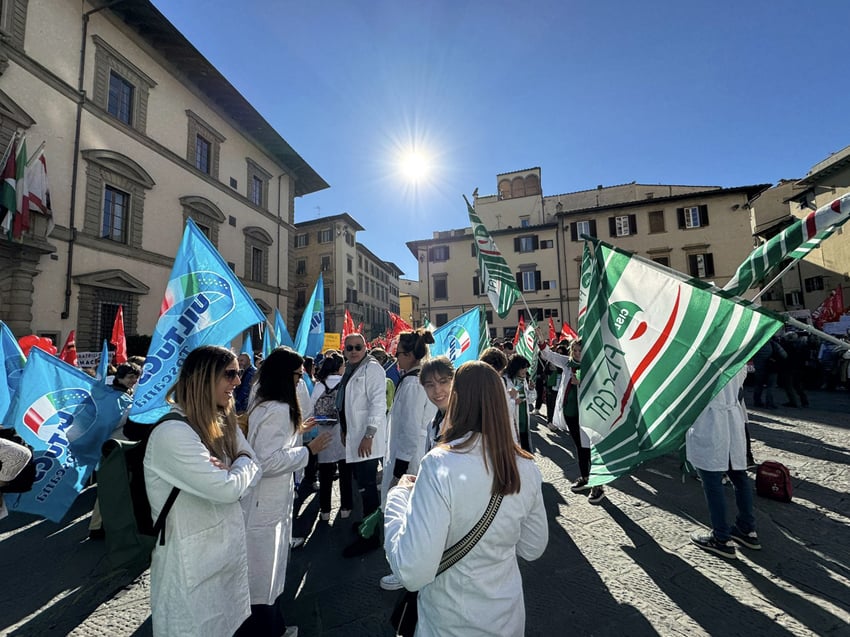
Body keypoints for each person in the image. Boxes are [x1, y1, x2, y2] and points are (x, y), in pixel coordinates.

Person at [384, 361, 548, 636]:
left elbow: (412, 572)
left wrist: (398, 497)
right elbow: (533, 547)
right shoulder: (526, 466)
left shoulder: (439, 464)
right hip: (507, 616)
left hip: (449, 620)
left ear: (457, 398)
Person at [143, 345, 261, 636]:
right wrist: (241, 464)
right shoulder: (173, 433)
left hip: (224, 557)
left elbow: (253, 467)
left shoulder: (222, 422)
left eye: (238, 373)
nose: (238, 381)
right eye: (230, 374)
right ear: (204, 378)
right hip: (188, 566)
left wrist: (238, 466)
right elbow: (228, 489)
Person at [238, 347, 331, 636]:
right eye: (297, 376)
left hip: (265, 501)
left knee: (265, 574)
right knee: (264, 575)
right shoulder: (278, 410)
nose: (300, 381)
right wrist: (308, 450)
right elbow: (267, 461)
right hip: (266, 503)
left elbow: (268, 442)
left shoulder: (264, 403)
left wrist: (298, 430)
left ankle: (275, 627)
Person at [379, 329, 438, 590]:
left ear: (412, 355)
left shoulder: (414, 384)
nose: (396, 358)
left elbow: (411, 430)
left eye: (400, 353)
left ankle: (404, 571)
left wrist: (398, 473)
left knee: (405, 516)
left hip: (409, 459)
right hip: (408, 455)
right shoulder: (412, 379)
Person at [687, 367, 760, 559]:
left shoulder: (704, 361)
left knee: (712, 480)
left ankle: (721, 537)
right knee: (739, 476)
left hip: (710, 420)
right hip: (734, 419)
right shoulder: (738, 359)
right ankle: (747, 528)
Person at [338, 333, 389, 557]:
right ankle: (367, 523)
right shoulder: (351, 370)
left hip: (367, 439)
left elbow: (378, 403)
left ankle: (371, 536)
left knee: (367, 488)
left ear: (366, 347)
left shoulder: (372, 369)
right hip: (355, 436)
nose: (353, 351)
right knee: (362, 484)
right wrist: (345, 430)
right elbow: (346, 405)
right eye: (349, 348)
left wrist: (369, 434)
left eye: (358, 347)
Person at [539, 339, 604, 503]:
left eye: (580, 351)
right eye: (574, 350)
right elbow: (549, 355)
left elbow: (600, 388)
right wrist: (541, 341)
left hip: (588, 414)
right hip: (570, 413)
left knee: (591, 449)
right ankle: (585, 477)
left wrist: (581, 383)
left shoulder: (593, 366)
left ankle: (598, 485)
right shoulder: (568, 363)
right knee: (580, 448)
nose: (576, 353)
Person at [310, 351, 353, 521]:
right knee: (345, 473)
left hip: (324, 432)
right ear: (340, 367)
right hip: (343, 431)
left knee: (325, 474)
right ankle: (346, 507)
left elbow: (311, 407)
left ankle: (325, 510)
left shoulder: (320, 385)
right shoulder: (345, 383)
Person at [505, 354, 534, 453]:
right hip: (511, 421)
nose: (525, 370)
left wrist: (531, 390)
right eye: (523, 368)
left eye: (526, 368)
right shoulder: (506, 380)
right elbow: (501, 402)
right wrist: (514, 401)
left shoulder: (524, 380)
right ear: (515, 367)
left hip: (524, 419)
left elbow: (531, 399)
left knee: (525, 447)